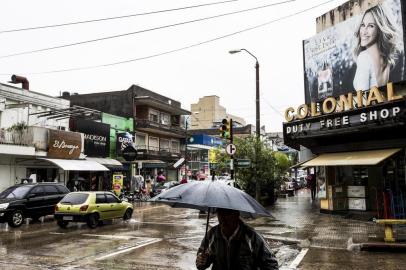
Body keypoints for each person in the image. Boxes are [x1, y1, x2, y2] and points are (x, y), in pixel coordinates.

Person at [196, 208, 279, 270]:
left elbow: (271, 265)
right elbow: (201, 262)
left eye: (227, 213)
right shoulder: (212, 235)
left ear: (236, 214)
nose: (223, 218)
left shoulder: (252, 237)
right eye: (220, 213)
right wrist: (201, 261)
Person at [353, 4, 400, 91]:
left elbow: (363, 99)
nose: (364, 32)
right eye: (362, 25)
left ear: (379, 29)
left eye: (371, 26)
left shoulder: (364, 57)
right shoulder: (387, 59)